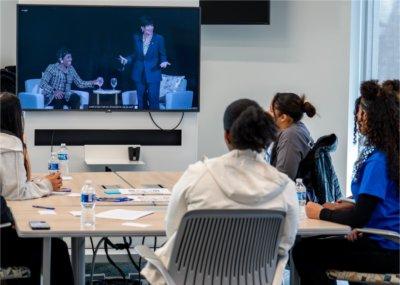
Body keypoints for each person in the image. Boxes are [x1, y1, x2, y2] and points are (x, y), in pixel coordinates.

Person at [141, 99, 299, 285]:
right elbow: (284, 245)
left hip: (192, 279)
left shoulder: (198, 175)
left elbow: (173, 229)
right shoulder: (285, 188)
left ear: (227, 136)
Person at [292, 80, 400, 285]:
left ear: (373, 118)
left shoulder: (378, 160)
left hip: (386, 249)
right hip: (387, 243)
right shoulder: (390, 153)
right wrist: (347, 210)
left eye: (361, 113)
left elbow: (360, 215)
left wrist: (321, 213)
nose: (358, 118)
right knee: (317, 247)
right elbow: (375, 206)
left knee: (304, 252)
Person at [0, 92, 74, 285]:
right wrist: (48, 184)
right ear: (15, 117)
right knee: (56, 247)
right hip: (5, 239)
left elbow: (20, 182)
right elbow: (17, 192)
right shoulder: (7, 144)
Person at [119, 16, 170, 110]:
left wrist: (164, 61)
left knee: (153, 100)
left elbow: (163, 54)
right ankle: (141, 122)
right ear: (142, 28)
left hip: (153, 73)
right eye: (148, 26)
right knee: (140, 101)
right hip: (139, 73)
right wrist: (127, 59)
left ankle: (154, 121)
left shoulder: (159, 38)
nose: (151, 28)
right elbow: (135, 54)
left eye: (152, 25)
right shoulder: (136, 38)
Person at [268, 93, 316, 180]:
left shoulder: (291, 136)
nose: (268, 113)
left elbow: (282, 179)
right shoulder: (298, 127)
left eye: (271, 110)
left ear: (283, 117)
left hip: (290, 191)